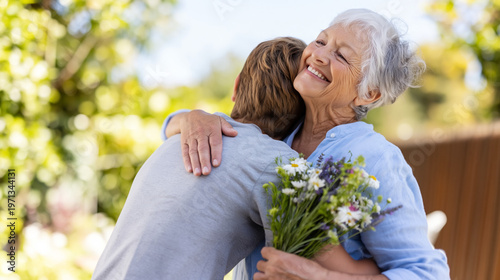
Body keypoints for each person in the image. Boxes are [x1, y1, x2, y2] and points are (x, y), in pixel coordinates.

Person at [162, 9, 450, 280]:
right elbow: (184, 134)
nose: (318, 55)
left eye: (341, 56)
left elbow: (427, 273)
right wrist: (193, 118)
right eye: (321, 40)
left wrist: (318, 276)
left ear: (369, 94)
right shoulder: (278, 131)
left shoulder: (377, 158)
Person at [92, 37, 378, 280]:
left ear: (237, 85)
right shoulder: (275, 165)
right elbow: (344, 270)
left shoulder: (181, 139)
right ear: (306, 111)